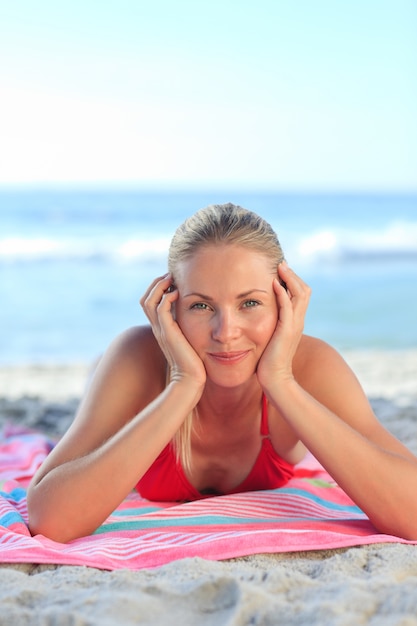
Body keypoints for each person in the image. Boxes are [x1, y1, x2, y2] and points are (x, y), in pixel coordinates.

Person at [27, 204, 417, 543]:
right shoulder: (137, 358)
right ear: (169, 306)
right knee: (102, 378)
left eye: (250, 302)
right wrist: (184, 383)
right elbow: (51, 521)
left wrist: (280, 380)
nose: (226, 332)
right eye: (200, 306)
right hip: (132, 378)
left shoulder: (311, 366)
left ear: (285, 301)